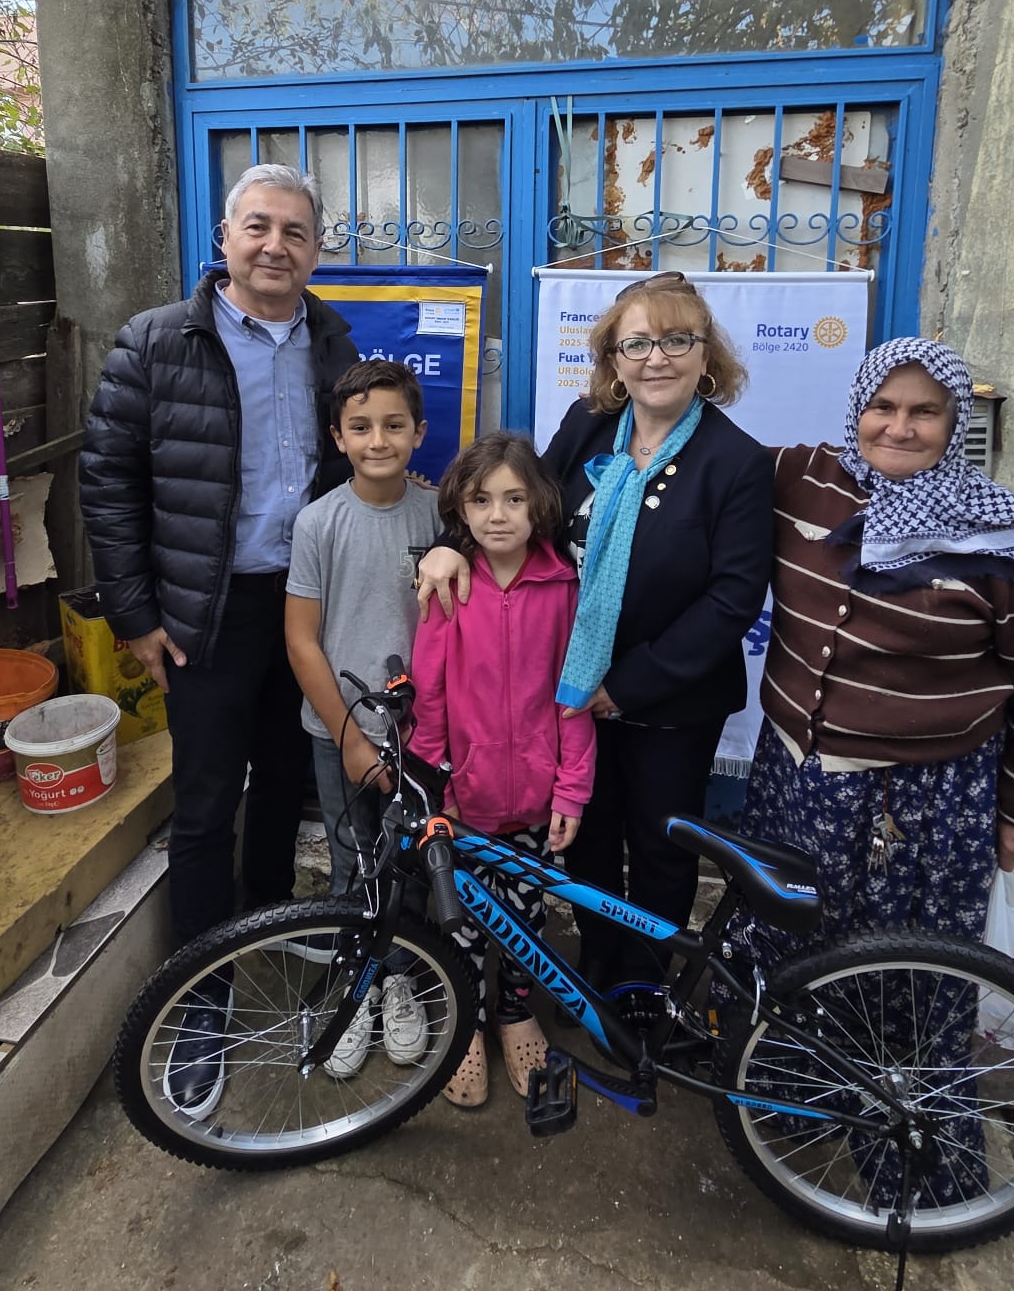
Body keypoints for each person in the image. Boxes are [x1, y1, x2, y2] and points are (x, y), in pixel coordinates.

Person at [79, 163, 357, 1116]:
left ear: (316, 250)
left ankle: (267, 922)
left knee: (284, 781)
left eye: (295, 232)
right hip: (206, 609)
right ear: (225, 237)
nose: (276, 246)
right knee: (204, 804)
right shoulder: (157, 340)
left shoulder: (332, 339)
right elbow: (107, 482)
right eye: (258, 227)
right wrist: (135, 616)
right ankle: (202, 992)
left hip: (306, 605)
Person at [420, 271, 776, 992]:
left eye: (677, 340)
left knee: (660, 847)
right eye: (637, 343)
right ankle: (597, 965)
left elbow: (732, 600)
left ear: (707, 355)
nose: (657, 358)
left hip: (668, 700)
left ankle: (644, 988)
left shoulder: (736, 461)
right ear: (614, 358)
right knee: (585, 841)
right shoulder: (587, 424)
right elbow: (523, 507)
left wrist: (624, 685)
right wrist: (450, 545)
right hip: (567, 688)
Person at [737, 334, 1014, 957]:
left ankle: (889, 1032)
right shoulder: (804, 479)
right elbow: (704, 459)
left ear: (955, 422)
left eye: (925, 411)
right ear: (857, 410)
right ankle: (776, 1028)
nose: (899, 428)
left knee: (899, 959)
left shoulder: (1006, 536)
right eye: (883, 407)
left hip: (925, 803)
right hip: (790, 778)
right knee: (786, 945)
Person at [408, 433, 595, 1108]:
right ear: (460, 507)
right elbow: (429, 696)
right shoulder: (450, 584)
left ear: (539, 503)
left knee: (524, 922)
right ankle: (467, 1025)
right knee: (459, 924)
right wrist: (438, 784)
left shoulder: (564, 585)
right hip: (464, 800)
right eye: (482, 500)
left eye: (514, 499)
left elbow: (575, 697)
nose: (497, 515)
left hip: (536, 801)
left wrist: (571, 788)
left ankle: (516, 1014)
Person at [284, 359, 440, 1079]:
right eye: (361, 427)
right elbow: (301, 640)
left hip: (423, 735)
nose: (379, 440)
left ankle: (401, 980)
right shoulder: (318, 523)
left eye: (394, 425)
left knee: (413, 865)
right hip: (339, 734)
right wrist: (350, 737)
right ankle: (355, 986)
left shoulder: (441, 515)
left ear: (419, 432)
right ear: (338, 437)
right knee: (351, 863)